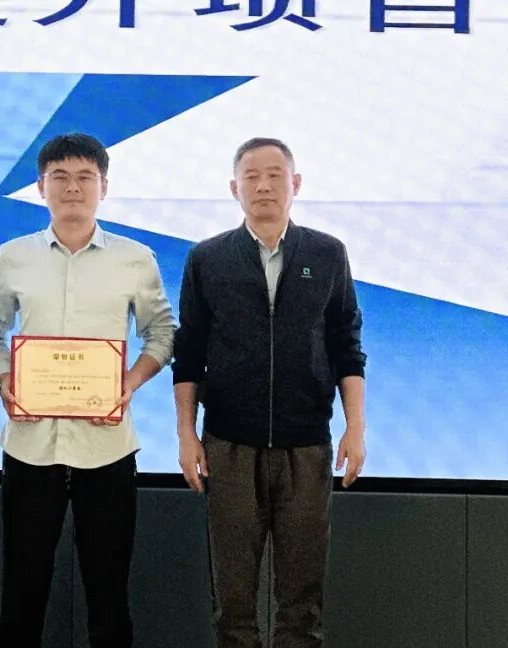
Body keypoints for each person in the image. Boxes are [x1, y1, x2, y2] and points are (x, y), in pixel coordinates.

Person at [0, 133, 175, 648]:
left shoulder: (135, 258)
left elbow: (162, 332)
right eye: (59, 177)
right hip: (30, 446)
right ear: (40, 187)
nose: (72, 188)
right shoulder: (13, 256)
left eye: (85, 177)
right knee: (21, 597)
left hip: (107, 448)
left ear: (103, 187)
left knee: (109, 599)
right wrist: (4, 379)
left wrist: (128, 382)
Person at [172, 137, 367, 648]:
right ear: (233, 188)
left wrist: (356, 427)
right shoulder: (207, 258)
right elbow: (188, 354)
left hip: (307, 446)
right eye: (251, 176)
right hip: (229, 446)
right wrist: (186, 436)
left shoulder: (327, 254)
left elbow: (347, 347)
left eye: (274, 175)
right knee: (233, 601)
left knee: (302, 603)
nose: (263, 185)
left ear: (295, 184)